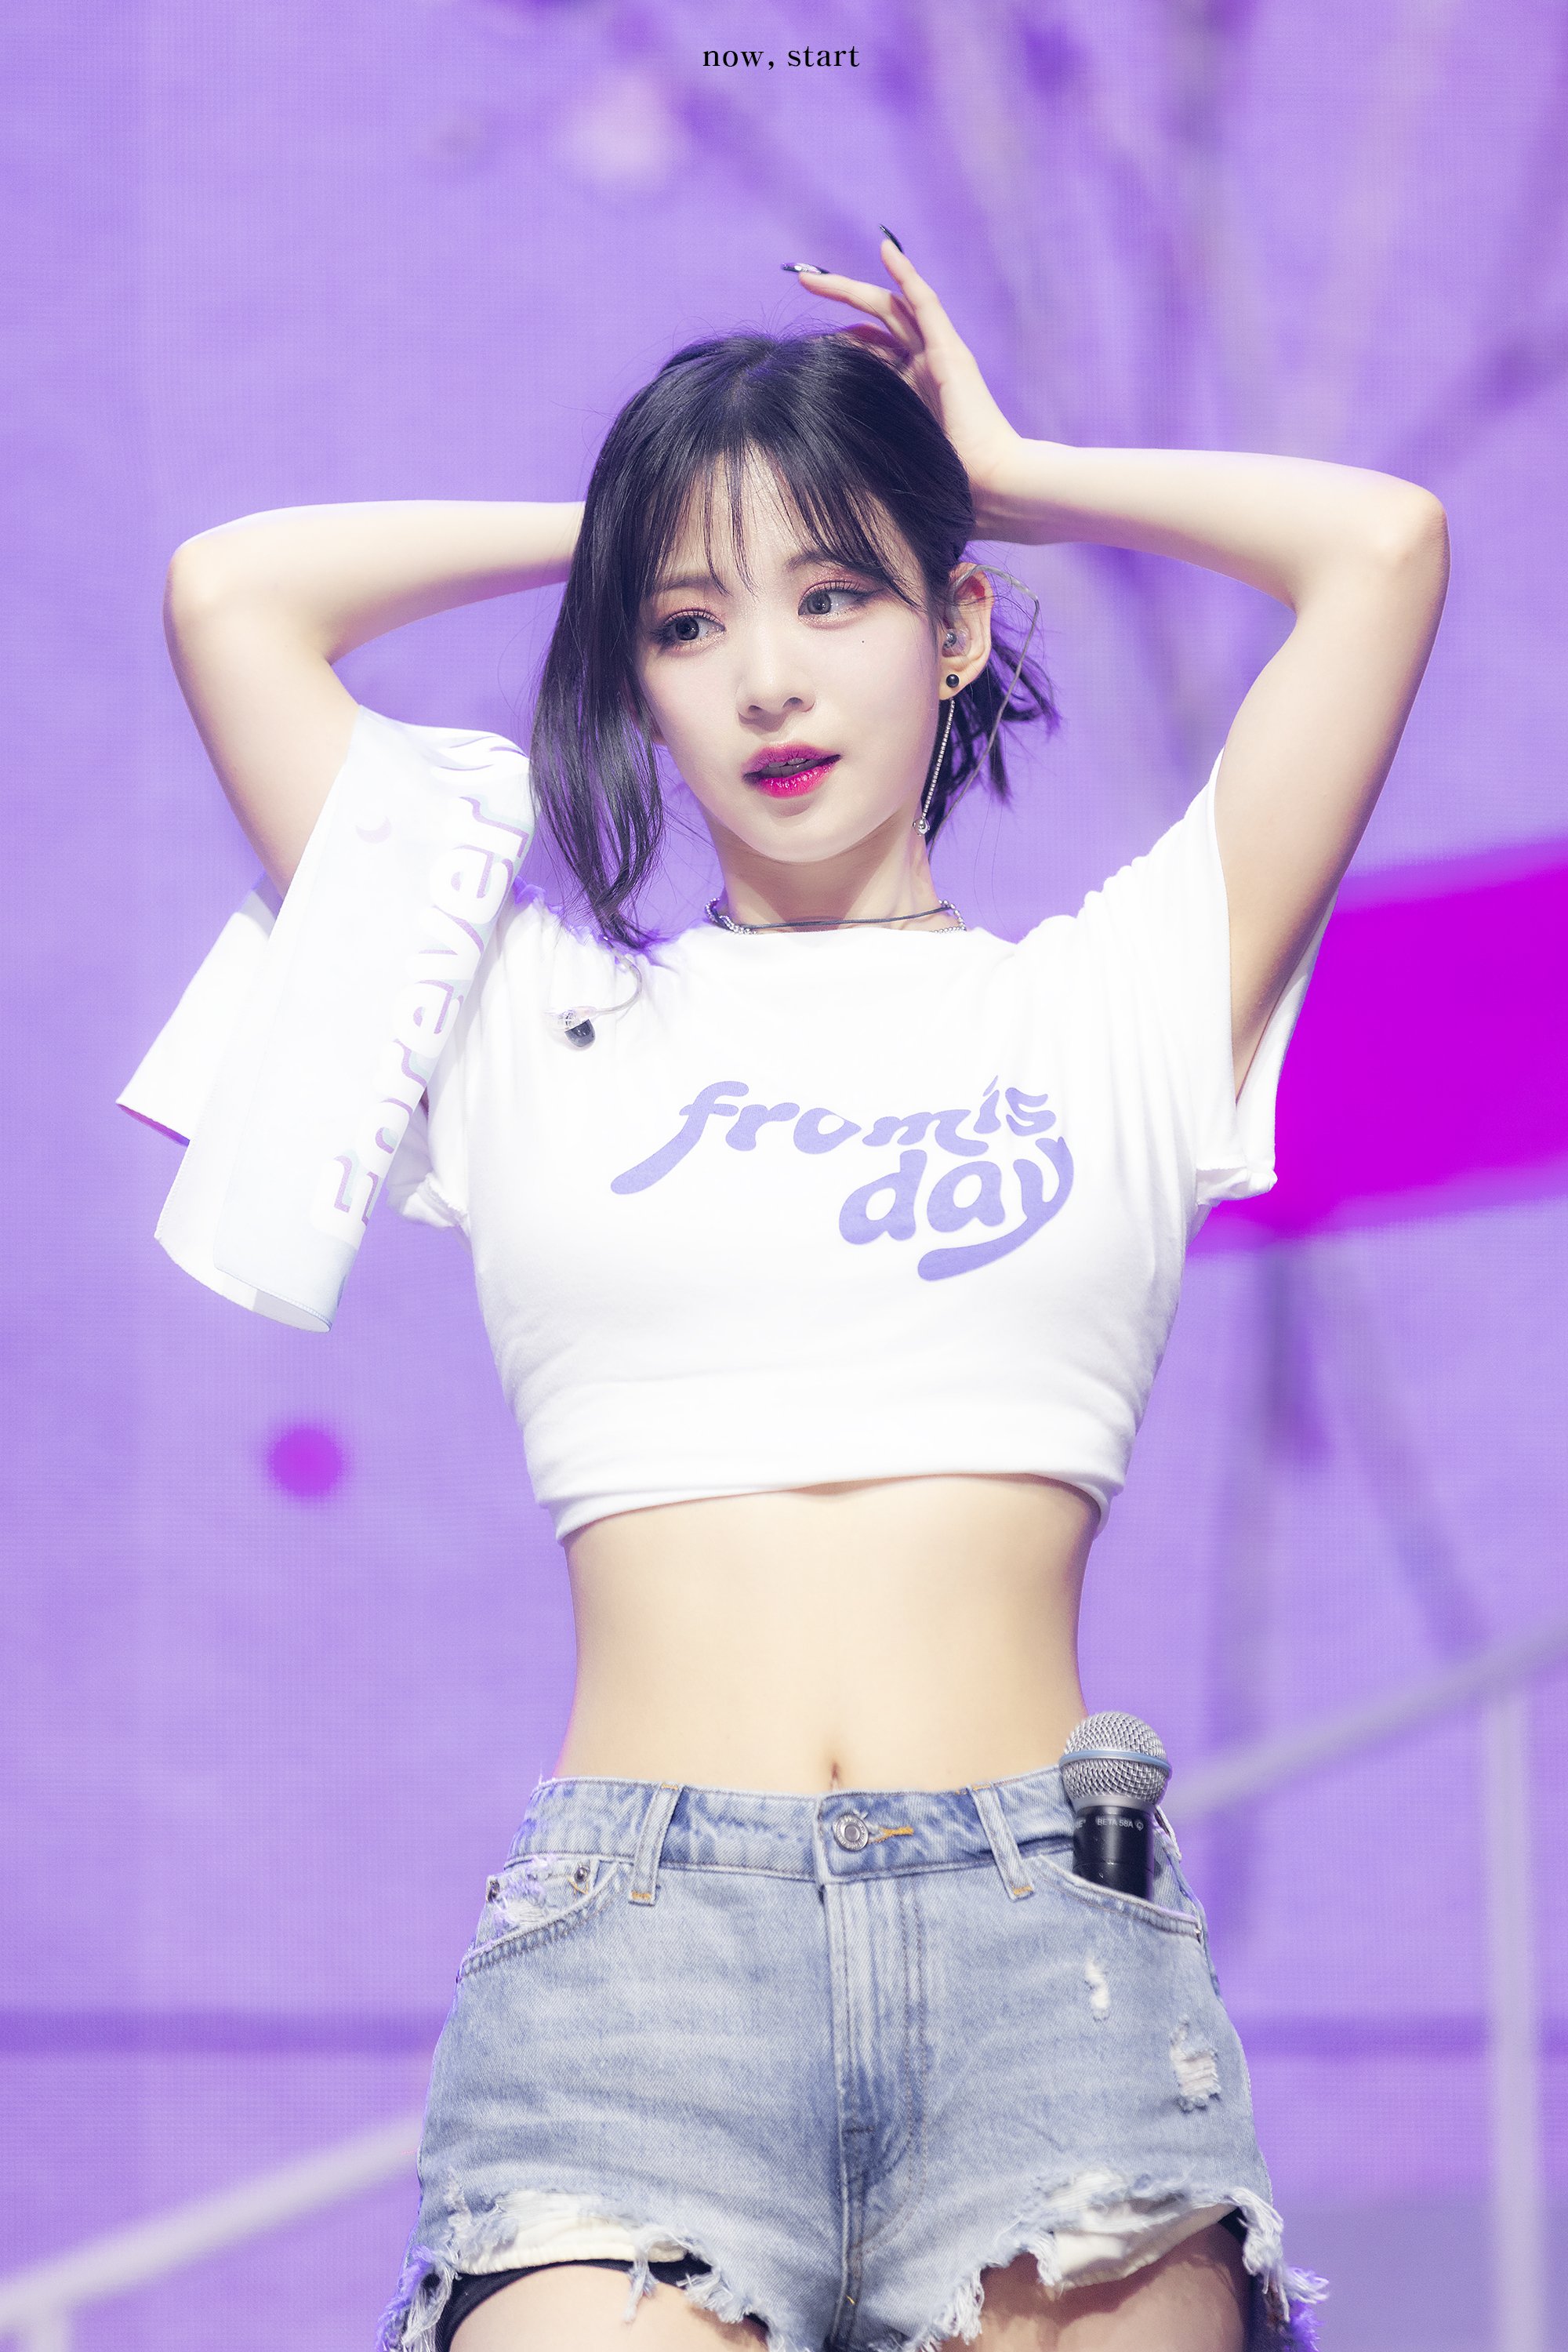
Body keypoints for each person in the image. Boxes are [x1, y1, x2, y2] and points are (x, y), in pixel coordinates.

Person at [125, 238, 1449, 2352]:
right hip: (635, 1968)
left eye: (835, 595)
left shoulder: (1120, 997)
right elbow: (237, 597)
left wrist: (998, 470)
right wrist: (665, 502)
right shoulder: (523, 1014)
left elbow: (1379, 548)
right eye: (687, 622)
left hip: (1051, 1962)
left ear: (958, 626)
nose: (765, 680)